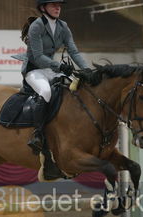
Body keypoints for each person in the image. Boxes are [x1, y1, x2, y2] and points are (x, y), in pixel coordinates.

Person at [19, 0, 88, 152]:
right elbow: (37, 57)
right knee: (46, 92)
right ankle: (37, 134)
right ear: (43, 8)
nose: (58, 8)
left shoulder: (63, 26)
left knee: (74, 88)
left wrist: (87, 70)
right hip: (34, 70)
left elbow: (74, 52)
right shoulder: (36, 26)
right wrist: (60, 66)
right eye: (53, 5)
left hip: (50, 69)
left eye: (59, 5)